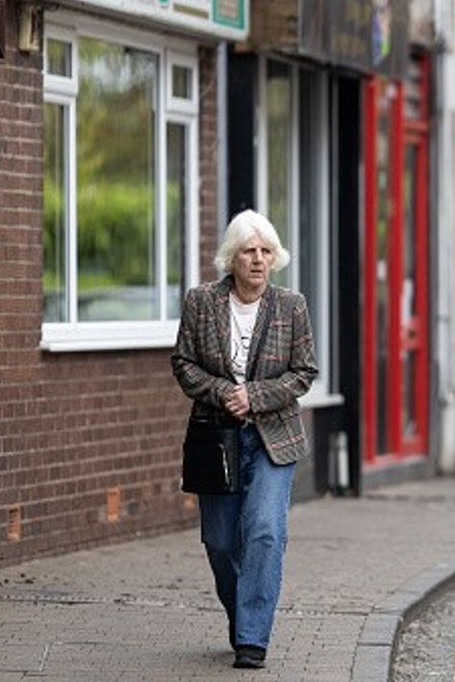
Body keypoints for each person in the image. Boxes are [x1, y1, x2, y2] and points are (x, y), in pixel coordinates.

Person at [171, 210, 318, 669]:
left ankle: (253, 638)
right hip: (217, 440)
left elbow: (305, 372)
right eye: (248, 252)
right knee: (219, 541)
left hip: (274, 439)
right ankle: (242, 618)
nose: (257, 260)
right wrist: (223, 393)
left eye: (265, 252)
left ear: (274, 259)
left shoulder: (291, 305)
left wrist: (252, 396)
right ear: (230, 259)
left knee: (265, 532)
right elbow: (184, 363)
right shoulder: (201, 302)